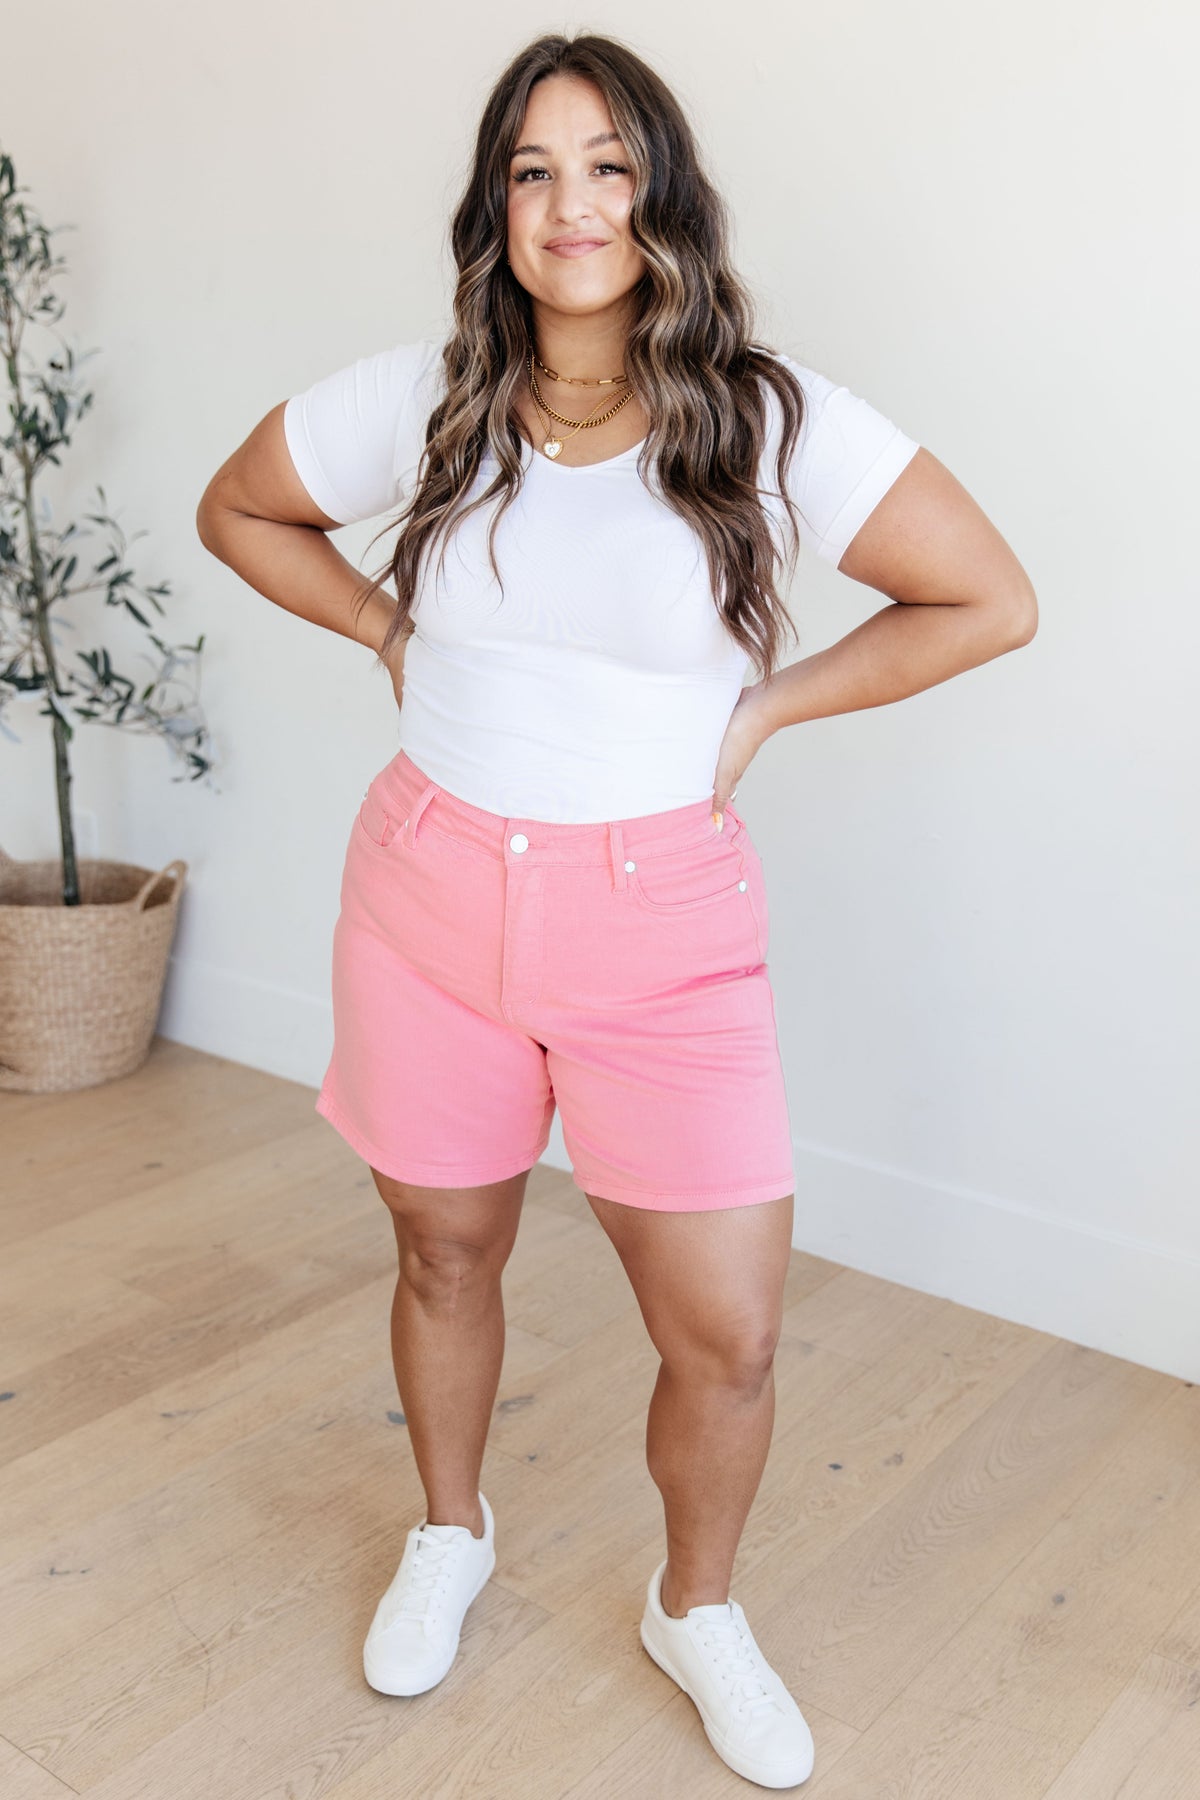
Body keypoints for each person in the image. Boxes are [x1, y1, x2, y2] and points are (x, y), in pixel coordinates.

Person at [197, 30, 1036, 1792]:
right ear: (495, 207)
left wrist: (765, 712)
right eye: (532, 169)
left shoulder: (766, 415)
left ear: (662, 193)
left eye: (606, 164)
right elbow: (240, 508)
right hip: (426, 895)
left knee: (726, 1331)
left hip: (663, 925)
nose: (569, 203)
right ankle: (450, 1530)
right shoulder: (430, 400)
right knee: (444, 1250)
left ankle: (695, 1608)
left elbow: (985, 597)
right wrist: (385, 629)